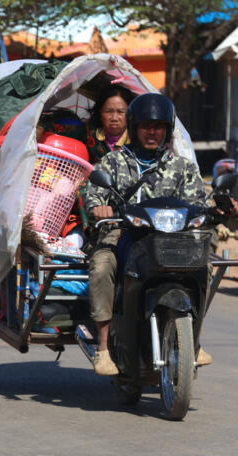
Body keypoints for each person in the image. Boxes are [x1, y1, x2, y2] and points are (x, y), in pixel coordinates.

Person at [82, 93, 209, 375]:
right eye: (146, 126)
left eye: (158, 126)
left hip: (170, 238)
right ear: (135, 127)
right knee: (102, 267)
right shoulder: (114, 162)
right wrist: (98, 207)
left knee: (204, 263)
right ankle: (103, 349)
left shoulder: (182, 166)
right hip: (121, 233)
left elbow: (198, 201)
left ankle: (194, 339)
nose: (152, 132)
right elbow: (93, 193)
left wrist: (202, 213)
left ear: (167, 129)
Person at [88, 86, 134, 163]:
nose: (114, 118)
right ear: (100, 112)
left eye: (120, 112)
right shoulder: (88, 134)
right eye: (109, 111)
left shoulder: (136, 142)